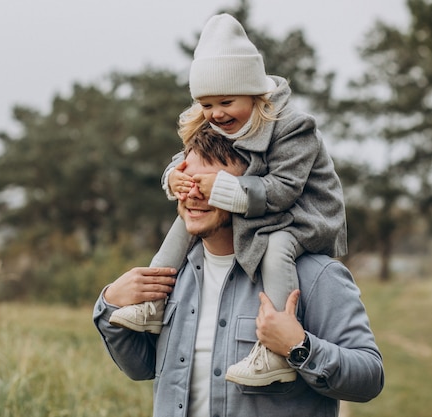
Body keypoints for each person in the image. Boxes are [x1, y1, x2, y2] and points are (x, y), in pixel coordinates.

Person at [109, 13, 348, 386]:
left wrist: (219, 187)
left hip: (303, 215)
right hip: (259, 206)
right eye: (205, 105)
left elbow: (283, 190)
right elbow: (186, 159)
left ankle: (275, 349)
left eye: (225, 101)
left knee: (275, 248)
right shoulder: (217, 121)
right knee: (184, 219)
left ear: (254, 93)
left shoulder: (293, 127)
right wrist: (178, 178)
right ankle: (152, 302)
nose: (216, 114)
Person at [93, 128, 384, 417]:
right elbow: (140, 367)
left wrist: (299, 347)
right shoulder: (172, 276)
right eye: (186, 181)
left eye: (210, 184)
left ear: (249, 193)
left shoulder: (314, 274)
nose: (193, 193)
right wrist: (110, 306)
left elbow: (369, 378)